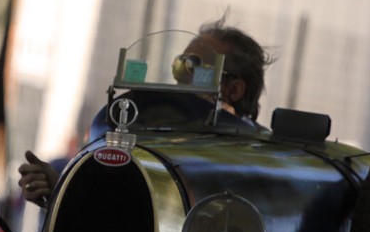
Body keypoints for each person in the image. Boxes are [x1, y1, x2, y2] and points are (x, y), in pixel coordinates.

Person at [17, 18, 273, 208]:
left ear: (234, 89)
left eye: (193, 65)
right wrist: (60, 188)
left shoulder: (248, 160)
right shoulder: (156, 130)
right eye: (178, 64)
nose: (180, 75)